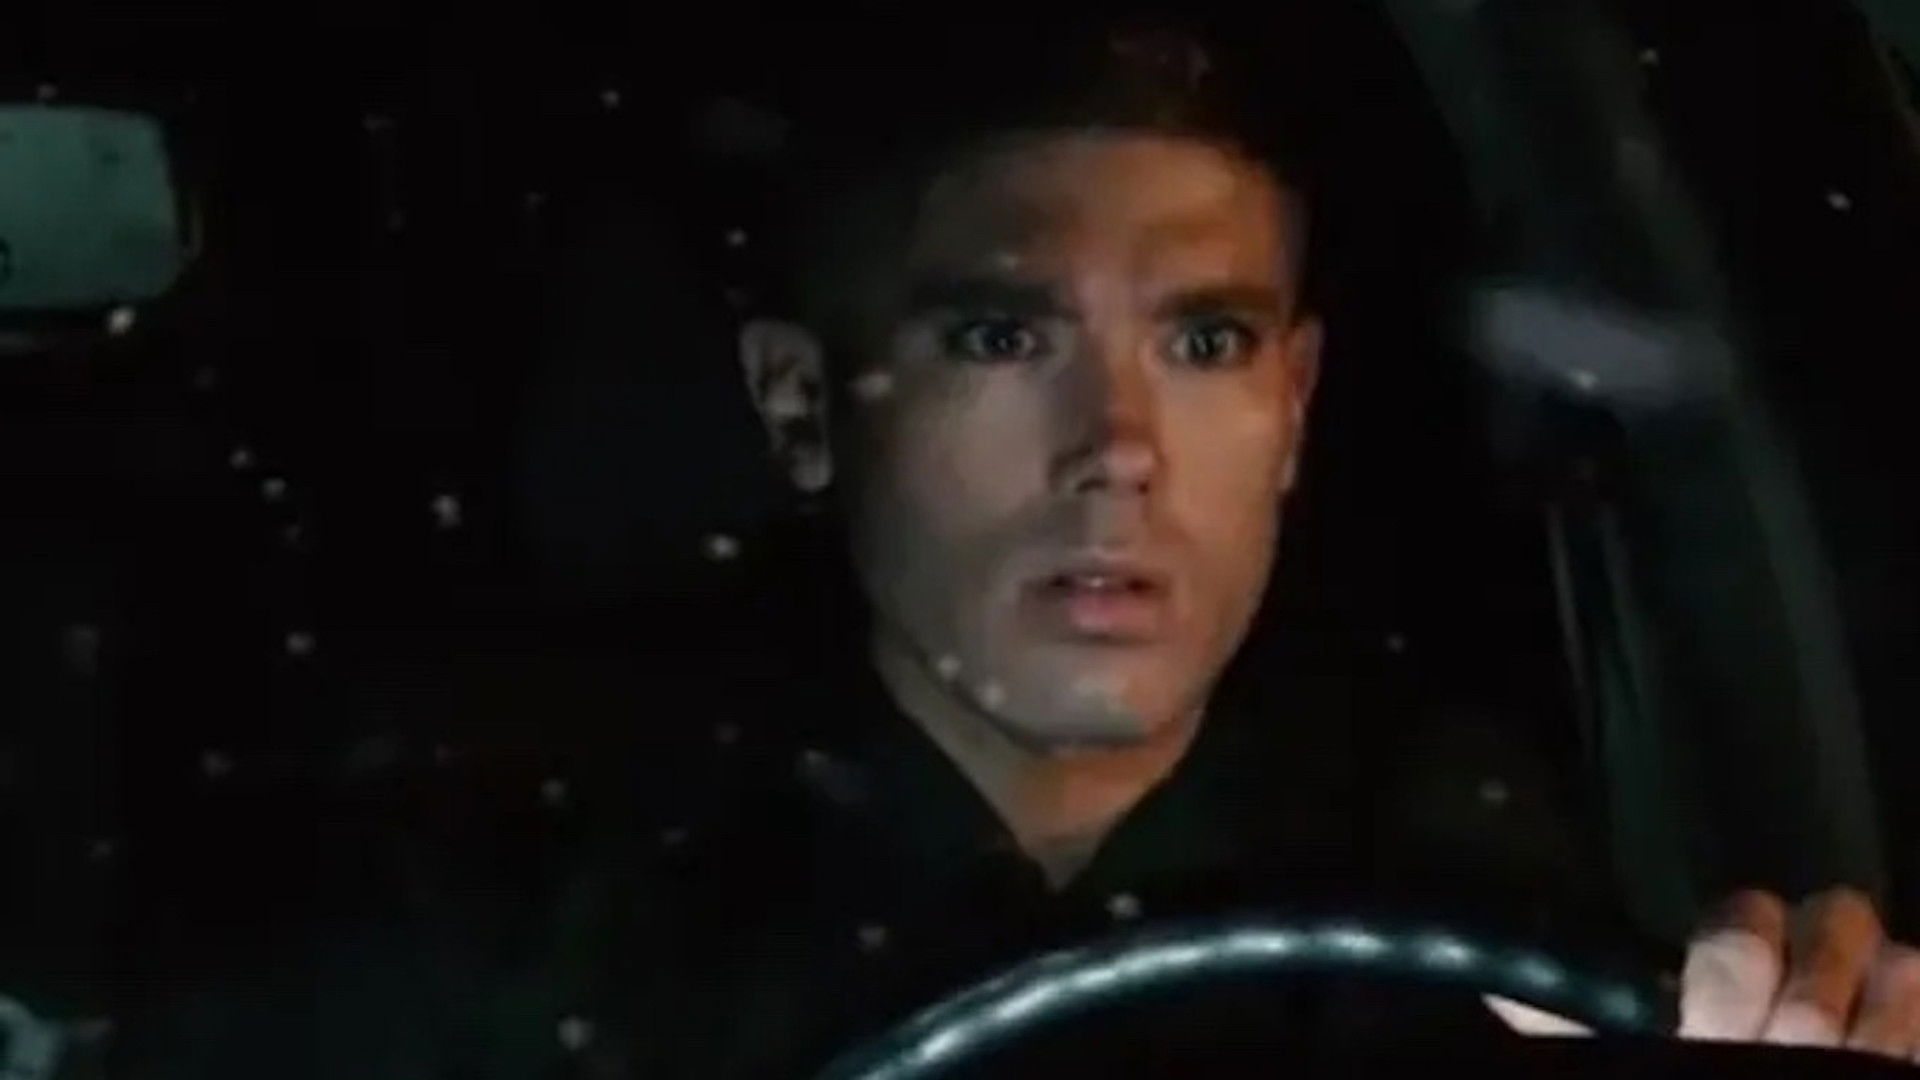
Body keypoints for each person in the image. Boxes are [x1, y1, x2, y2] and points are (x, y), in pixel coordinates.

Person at [113, 8, 1920, 1079]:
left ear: (1294, 406)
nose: (1116, 448)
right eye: (999, 335)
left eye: (1203, 343)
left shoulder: (1503, 907)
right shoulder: (509, 929)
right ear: (806, 409)